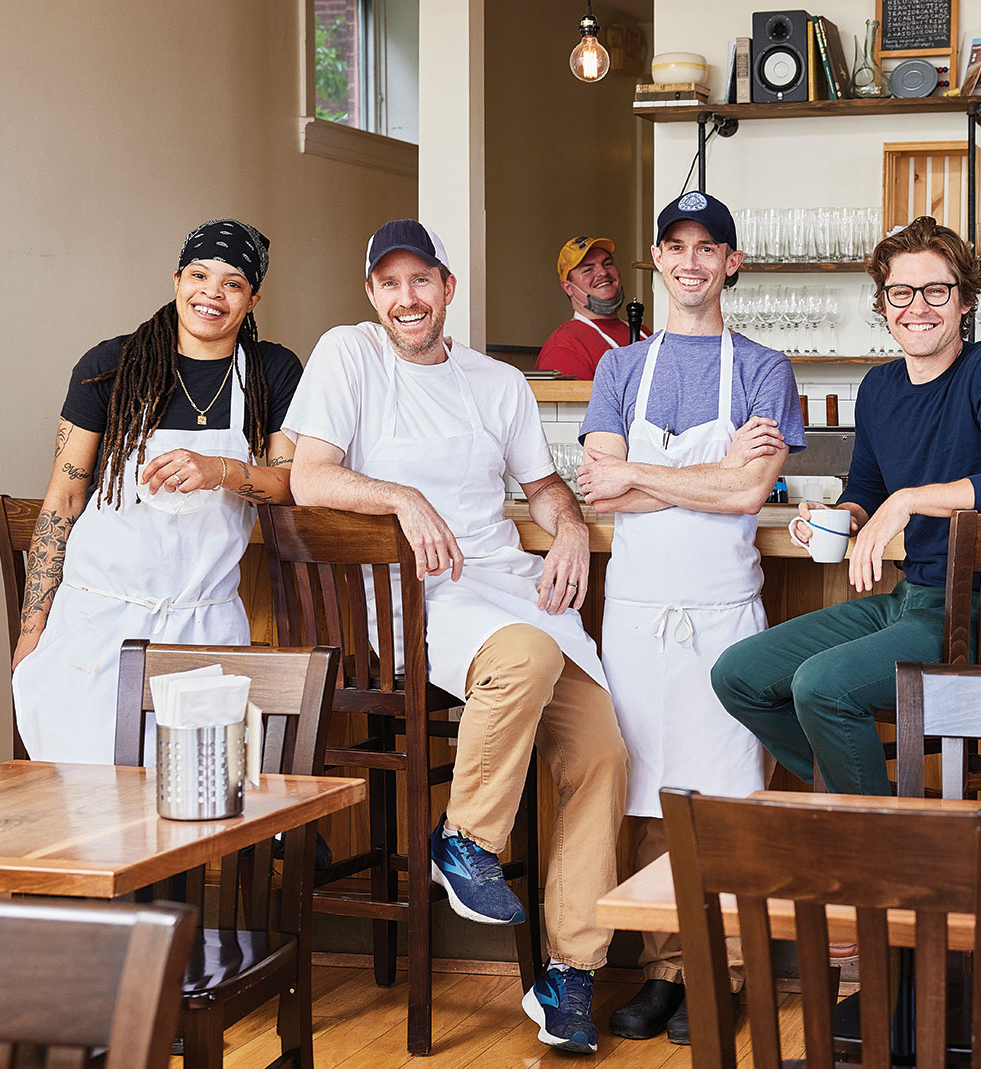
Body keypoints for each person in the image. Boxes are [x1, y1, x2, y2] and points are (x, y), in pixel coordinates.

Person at [283, 220, 628, 1055]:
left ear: (447, 286)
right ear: (372, 294)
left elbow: (543, 487)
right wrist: (402, 497)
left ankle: (571, 974)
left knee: (606, 750)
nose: (408, 299)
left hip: (509, 590)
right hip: (409, 601)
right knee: (528, 654)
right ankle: (465, 838)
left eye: (422, 281)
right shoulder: (349, 355)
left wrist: (572, 528)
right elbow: (308, 474)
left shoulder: (496, 381)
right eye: (390, 284)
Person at [711, 215, 981, 797]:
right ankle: (880, 811)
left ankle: (878, 840)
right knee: (738, 675)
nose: (916, 307)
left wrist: (911, 500)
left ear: (965, 300)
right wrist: (839, 516)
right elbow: (866, 490)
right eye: (900, 292)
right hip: (908, 603)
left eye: (936, 291)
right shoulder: (878, 388)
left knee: (821, 686)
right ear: (883, 302)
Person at [572, 190, 804, 1045]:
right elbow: (600, 493)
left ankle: (727, 970)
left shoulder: (765, 368)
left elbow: (750, 489)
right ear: (659, 261)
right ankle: (668, 969)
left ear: (731, 263)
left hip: (722, 613)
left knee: (729, 799)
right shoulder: (619, 370)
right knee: (651, 798)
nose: (692, 261)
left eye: (710, 247)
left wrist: (647, 479)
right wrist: (694, 480)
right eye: (677, 246)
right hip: (632, 613)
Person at [13, 219, 302, 763]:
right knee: (90, 797)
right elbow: (64, 501)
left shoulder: (270, 372)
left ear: (252, 298)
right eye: (199, 275)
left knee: (203, 795)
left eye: (232, 283)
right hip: (98, 625)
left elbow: (289, 486)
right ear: (176, 280)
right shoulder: (111, 367)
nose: (211, 293)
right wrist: (34, 631)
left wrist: (219, 470)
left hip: (205, 625)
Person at [537, 236, 649, 379]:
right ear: (568, 288)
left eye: (607, 264)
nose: (603, 273)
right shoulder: (563, 347)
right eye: (588, 269)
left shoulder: (643, 332)